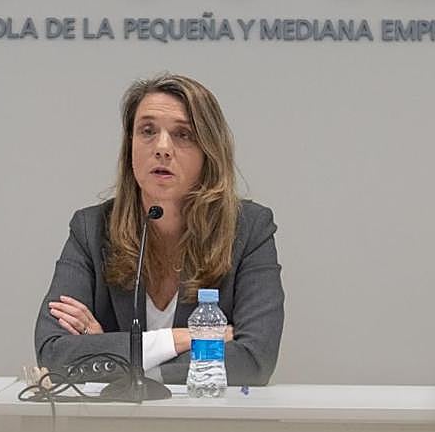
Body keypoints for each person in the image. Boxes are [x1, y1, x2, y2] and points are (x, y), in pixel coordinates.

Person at [35, 74, 284, 386]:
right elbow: (54, 354)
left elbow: (253, 360)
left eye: (183, 134)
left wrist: (115, 354)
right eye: (148, 131)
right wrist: (181, 339)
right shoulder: (91, 229)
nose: (162, 148)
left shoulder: (248, 229)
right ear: (130, 146)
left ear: (209, 151)